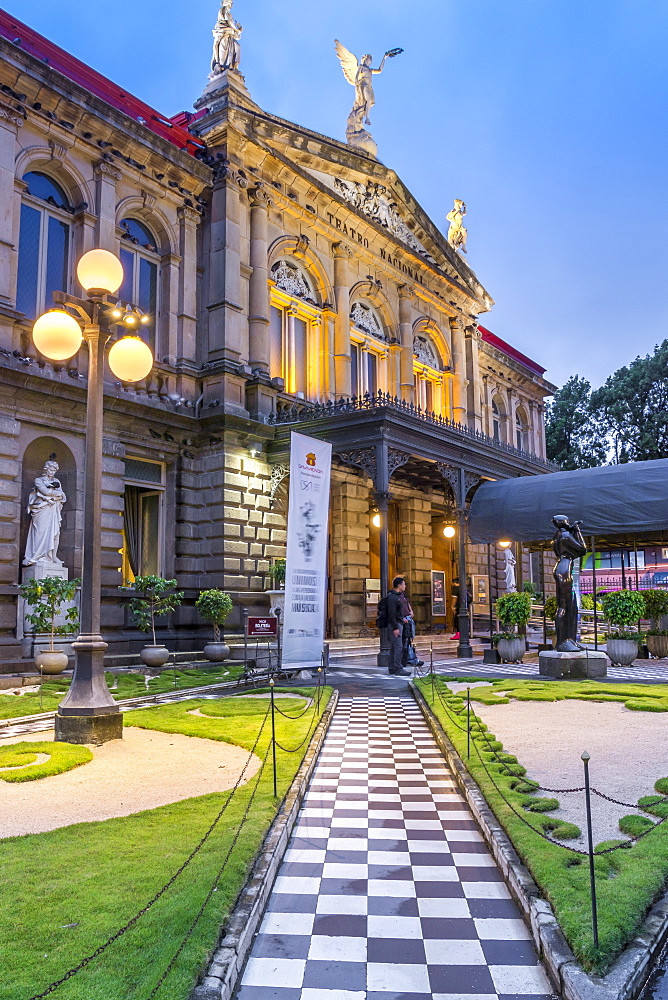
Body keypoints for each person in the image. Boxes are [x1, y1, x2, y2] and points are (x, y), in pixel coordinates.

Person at [386, 577, 411, 676]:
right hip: (395, 625)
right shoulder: (393, 597)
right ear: (399, 585)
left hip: (398, 622)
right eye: (404, 584)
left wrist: (402, 619)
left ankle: (392, 667)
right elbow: (391, 613)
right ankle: (398, 668)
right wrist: (395, 627)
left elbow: (397, 612)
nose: (405, 586)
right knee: (398, 647)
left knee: (394, 647)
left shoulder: (397, 596)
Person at [398, 589, 424, 668]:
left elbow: (407, 603)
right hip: (403, 619)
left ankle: (410, 658)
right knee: (405, 640)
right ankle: (410, 659)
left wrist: (411, 611)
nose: (405, 586)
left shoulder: (403, 594)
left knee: (409, 638)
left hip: (408, 618)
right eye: (404, 584)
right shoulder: (395, 596)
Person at [450, 576, 472, 641]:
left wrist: (452, 606)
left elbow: (454, 599)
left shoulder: (455, 589)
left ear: (454, 583)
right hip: (465, 607)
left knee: (457, 621)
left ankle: (458, 634)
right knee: (463, 620)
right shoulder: (465, 589)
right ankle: (464, 634)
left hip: (459, 607)